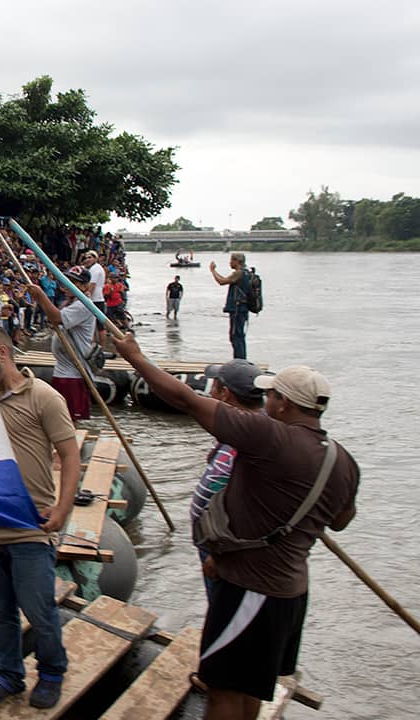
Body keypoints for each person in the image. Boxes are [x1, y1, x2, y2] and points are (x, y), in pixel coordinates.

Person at [112, 336, 359, 720]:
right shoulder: (343, 461)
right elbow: (341, 520)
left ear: (286, 404)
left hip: (250, 590)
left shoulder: (267, 436)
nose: (266, 403)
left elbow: (185, 399)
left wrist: (135, 358)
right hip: (291, 592)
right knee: (252, 688)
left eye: (272, 396)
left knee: (225, 691)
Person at [0, 326, 79, 709]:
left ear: (2, 353)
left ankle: (51, 672)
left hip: (32, 525)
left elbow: (69, 455)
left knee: (39, 608)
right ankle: (9, 673)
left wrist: (63, 508)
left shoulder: (44, 397)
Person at [191, 360, 265, 596]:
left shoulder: (253, 438)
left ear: (225, 393)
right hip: (214, 539)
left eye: (214, 386)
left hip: (225, 547)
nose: (209, 391)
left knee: (225, 605)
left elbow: (248, 506)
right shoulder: (239, 428)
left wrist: (219, 553)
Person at [27, 267, 95, 420]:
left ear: (84, 286)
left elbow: (57, 318)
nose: (68, 285)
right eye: (67, 281)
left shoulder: (83, 304)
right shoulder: (70, 303)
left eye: (74, 282)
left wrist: (40, 295)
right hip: (64, 369)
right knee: (61, 416)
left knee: (68, 418)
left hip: (74, 373)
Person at [210, 252, 250, 359]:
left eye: (231, 260)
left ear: (237, 261)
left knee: (235, 336)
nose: (230, 262)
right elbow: (225, 279)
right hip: (243, 309)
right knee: (239, 335)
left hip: (237, 309)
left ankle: (239, 361)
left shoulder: (239, 273)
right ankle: (241, 360)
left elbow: (221, 281)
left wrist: (213, 271)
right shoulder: (246, 273)